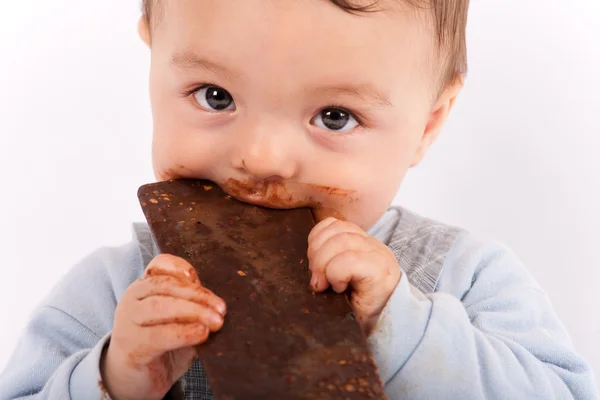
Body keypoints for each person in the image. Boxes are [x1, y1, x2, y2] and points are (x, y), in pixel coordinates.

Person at [0, 0, 596, 399]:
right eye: (214, 95)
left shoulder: (463, 279)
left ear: (428, 124)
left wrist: (404, 327)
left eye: (334, 116)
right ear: (152, 55)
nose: (260, 158)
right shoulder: (116, 291)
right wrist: (115, 377)